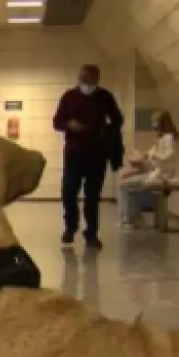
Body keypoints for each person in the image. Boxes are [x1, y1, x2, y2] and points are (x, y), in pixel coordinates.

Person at [52, 64, 124, 249]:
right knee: (69, 192)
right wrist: (69, 124)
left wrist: (105, 128)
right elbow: (57, 122)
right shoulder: (69, 97)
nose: (86, 84)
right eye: (83, 80)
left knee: (92, 196)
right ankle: (70, 227)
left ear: (97, 80)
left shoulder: (105, 97)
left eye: (90, 81)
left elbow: (118, 120)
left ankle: (91, 232)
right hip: (74, 152)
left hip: (97, 153)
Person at [118, 109, 179, 228]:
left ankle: (131, 220)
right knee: (128, 182)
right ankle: (133, 218)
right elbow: (153, 155)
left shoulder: (168, 137)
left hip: (162, 174)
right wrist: (142, 155)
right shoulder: (163, 138)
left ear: (161, 123)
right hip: (159, 172)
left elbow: (168, 156)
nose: (153, 125)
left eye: (155, 122)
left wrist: (153, 155)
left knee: (124, 186)